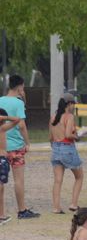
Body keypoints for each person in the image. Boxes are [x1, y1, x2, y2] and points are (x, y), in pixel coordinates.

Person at [0, 75, 37, 219]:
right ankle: (22, 210)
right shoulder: (18, 103)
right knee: (18, 180)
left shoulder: (1, 100)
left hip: (2, 147)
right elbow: (21, 125)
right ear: (20, 86)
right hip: (16, 145)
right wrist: (27, 142)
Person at [49, 93, 84, 214]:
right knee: (79, 176)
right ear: (69, 104)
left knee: (58, 180)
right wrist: (78, 136)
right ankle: (74, 204)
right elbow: (68, 135)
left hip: (55, 148)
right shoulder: (69, 117)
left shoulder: (53, 117)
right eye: (73, 104)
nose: (73, 106)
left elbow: (51, 137)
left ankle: (56, 207)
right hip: (67, 148)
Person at [0, 109, 21, 225]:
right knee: (0, 189)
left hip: (3, 159)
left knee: (1, 189)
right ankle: (1, 215)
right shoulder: (2, 128)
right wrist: (4, 118)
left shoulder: (2, 128)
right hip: (1, 160)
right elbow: (17, 120)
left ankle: (1, 214)